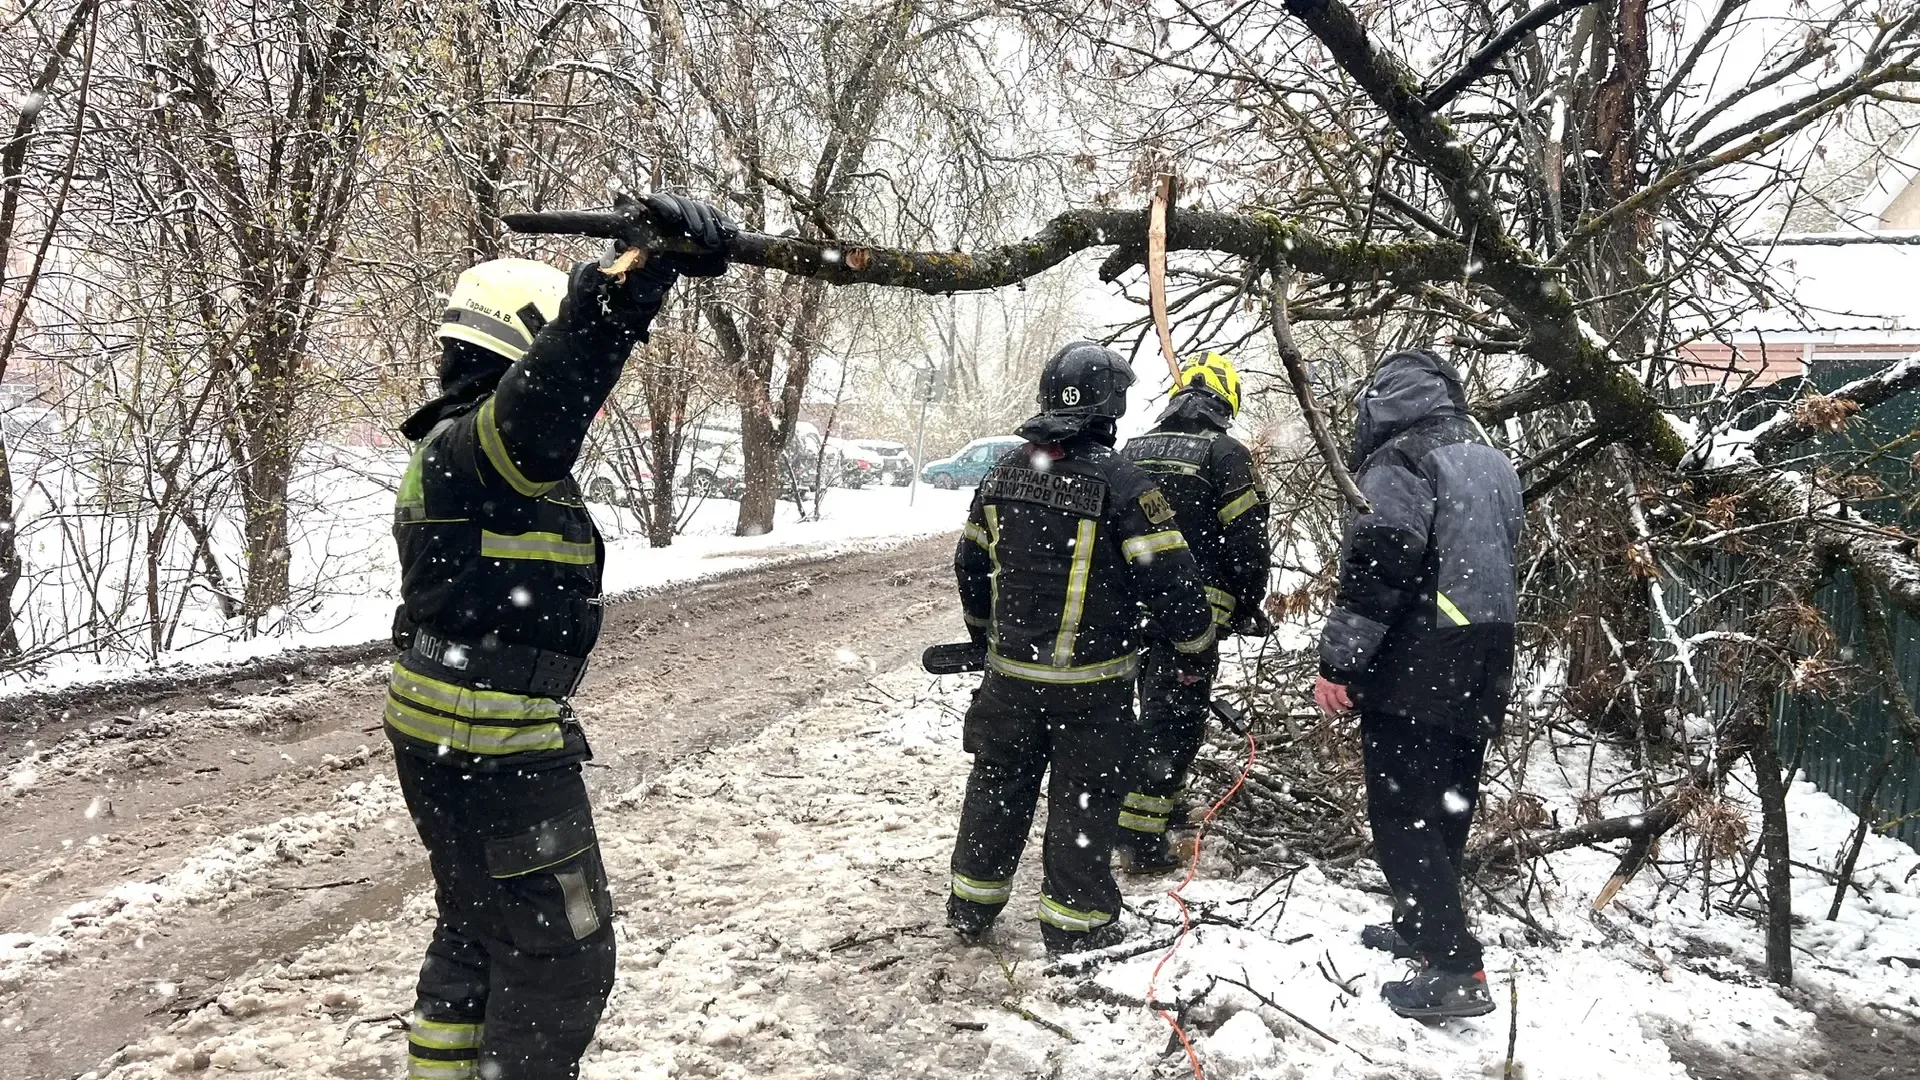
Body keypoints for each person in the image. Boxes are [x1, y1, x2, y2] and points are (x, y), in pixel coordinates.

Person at [386, 193, 734, 1080]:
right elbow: (549, 400)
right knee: (563, 958)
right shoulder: (483, 448)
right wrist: (632, 285)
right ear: (520, 348)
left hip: (446, 740)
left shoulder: (452, 452)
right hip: (493, 749)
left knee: (478, 928)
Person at [947, 341, 1215, 954]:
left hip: (1009, 683)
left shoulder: (1004, 472)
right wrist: (1194, 648)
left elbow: (969, 564)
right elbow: (1174, 585)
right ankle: (1078, 924)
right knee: (1083, 803)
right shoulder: (1125, 484)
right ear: (1111, 406)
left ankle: (971, 902)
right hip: (1092, 692)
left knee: (997, 784)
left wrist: (984, 637)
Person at [1312, 348, 1522, 1020]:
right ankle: (1419, 925)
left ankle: (1455, 967)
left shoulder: (1401, 460)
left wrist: (1340, 662)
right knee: (1448, 804)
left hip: (1420, 656)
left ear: (1383, 402)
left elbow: (1381, 561)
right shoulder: (1488, 458)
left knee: (1402, 812)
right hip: (1487, 649)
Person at [1114, 352, 1271, 872]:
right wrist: (1249, 600)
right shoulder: (1226, 453)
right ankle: (1141, 836)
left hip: (1124, 606)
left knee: (1133, 709)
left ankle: (1135, 804)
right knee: (1175, 718)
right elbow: (1247, 539)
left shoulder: (1132, 447)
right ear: (1225, 402)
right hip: (1191, 615)